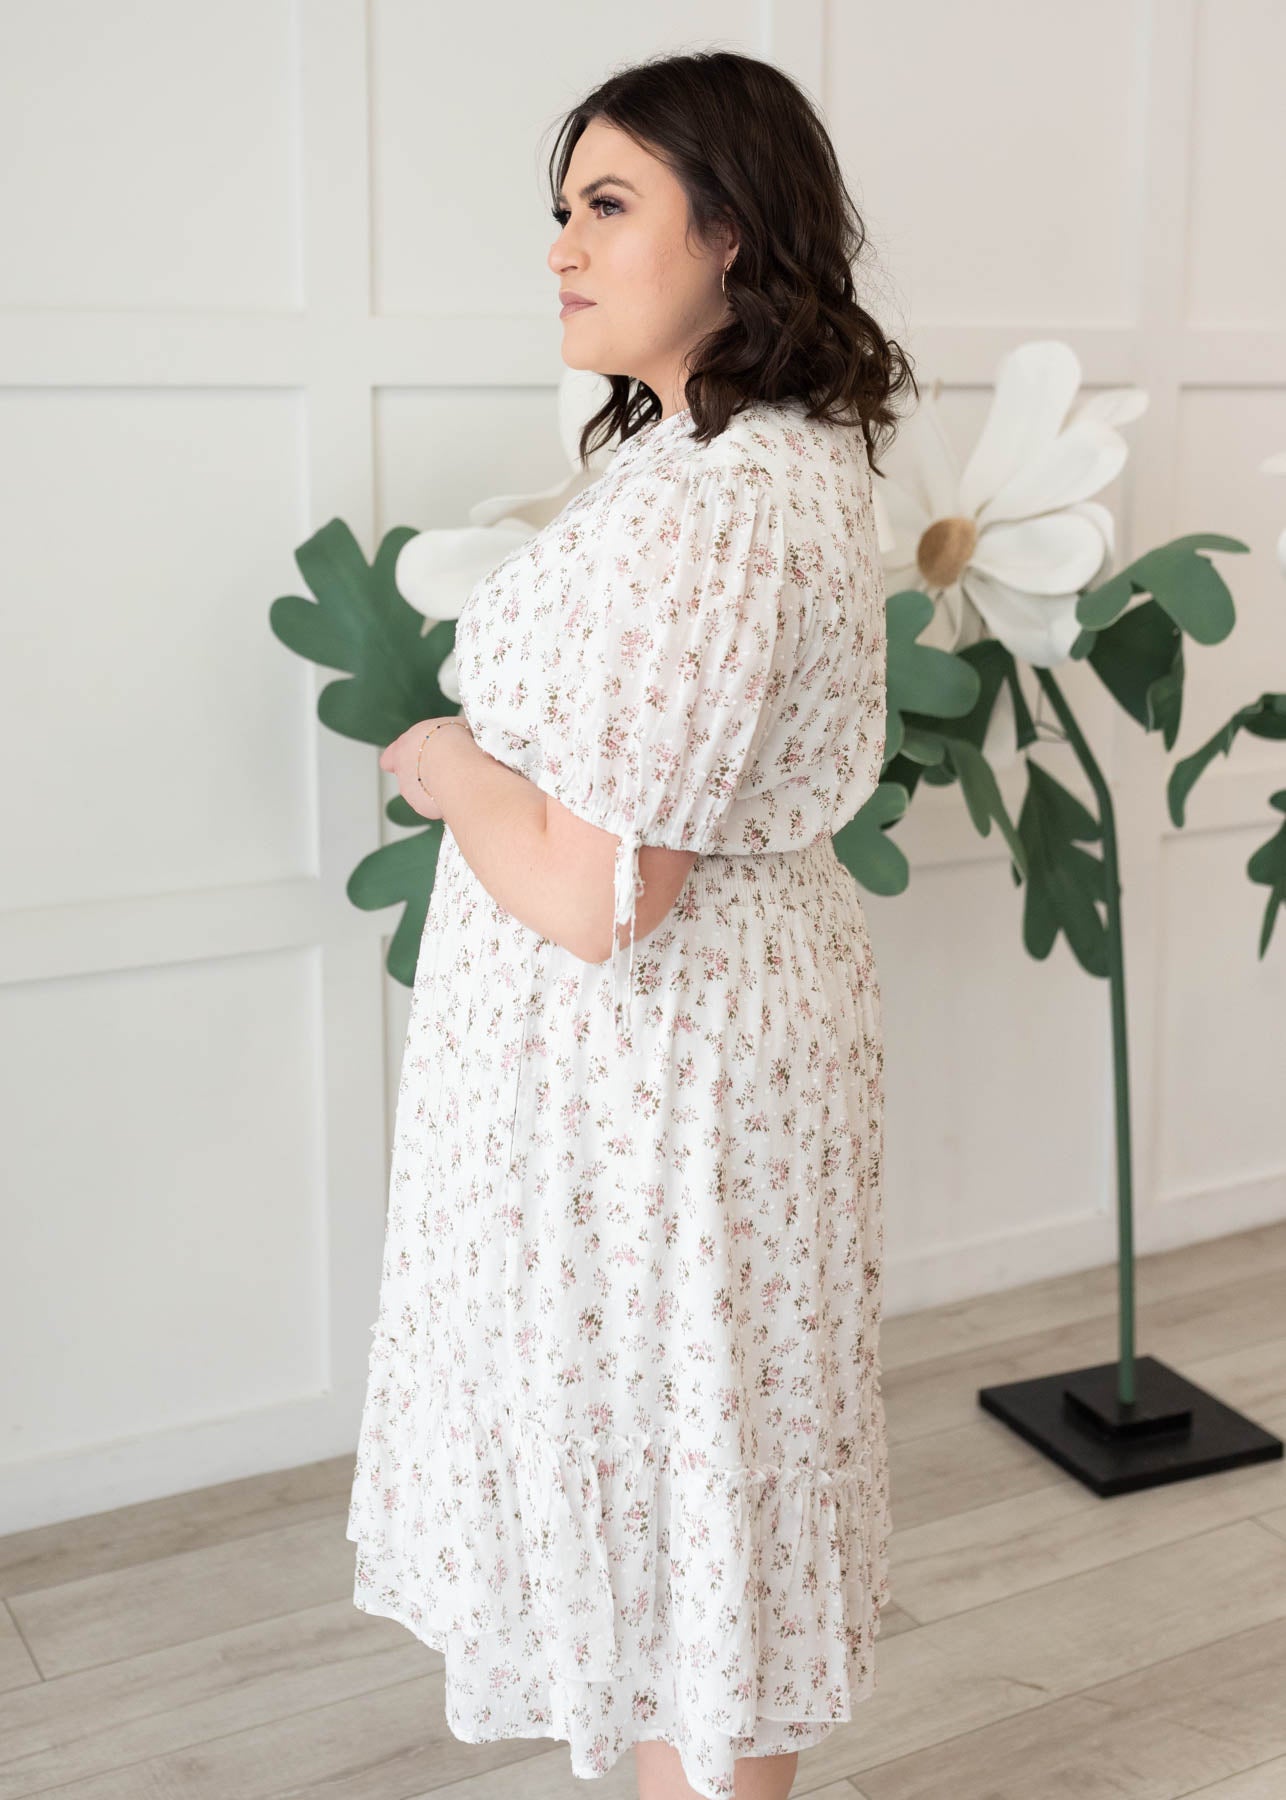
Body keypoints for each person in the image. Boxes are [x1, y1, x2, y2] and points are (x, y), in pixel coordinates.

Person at [347, 48, 916, 1800]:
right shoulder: (739, 461)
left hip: (665, 1086)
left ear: (733, 235)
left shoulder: (714, 506)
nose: (562, 250)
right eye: (561, 211)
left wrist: (444, 765)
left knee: (690, 1525)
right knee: (701, 1514)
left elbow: (606, 892)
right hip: (691, 1070)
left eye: (608, 206)